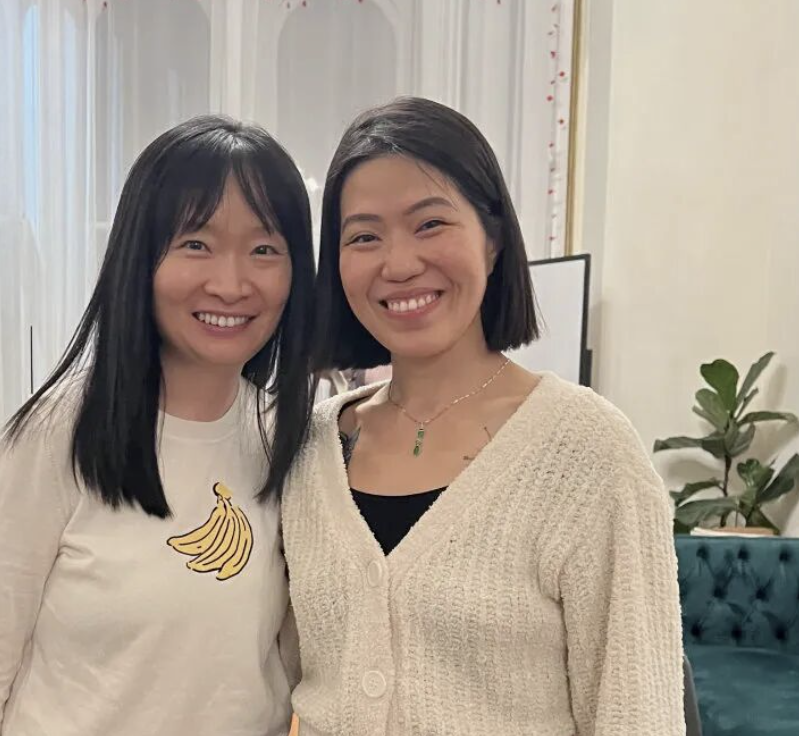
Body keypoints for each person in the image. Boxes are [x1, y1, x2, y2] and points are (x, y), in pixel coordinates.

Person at [282, 98, 685, 735]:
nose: (398, 264)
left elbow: (637, 712)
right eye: (363, 236)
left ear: (492, 240)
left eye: (430, 224)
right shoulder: (308, 449)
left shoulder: (589, 452)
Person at [0, 116, 315, 736]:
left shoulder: (290, 441)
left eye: (264, 249)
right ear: (140, 258)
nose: (231, 284)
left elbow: (294, 671)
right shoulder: (55, 435)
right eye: (196, 243)